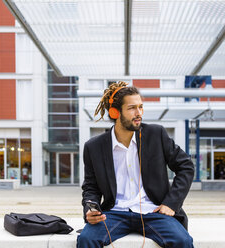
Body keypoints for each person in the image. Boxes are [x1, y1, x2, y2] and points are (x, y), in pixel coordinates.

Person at [77, 81, 195, 248]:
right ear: (115, 112)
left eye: (140, 107)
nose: (139, 113)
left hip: (154, 212)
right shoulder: (94, 147)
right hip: (114, 213)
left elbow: (186, 167)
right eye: (132, 108)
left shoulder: (156, 134)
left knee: (182, 241)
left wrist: (171, 203)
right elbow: (91, 186)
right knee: (86, 239)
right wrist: (90, 208)